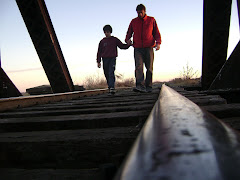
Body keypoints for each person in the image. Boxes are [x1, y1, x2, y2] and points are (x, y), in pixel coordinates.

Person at [125, 4, 161, 93]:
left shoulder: (151, 20)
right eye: (138, 13)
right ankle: (140, 86)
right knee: (138, 66)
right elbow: (129, 33)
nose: (140, 14)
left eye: (141, 12)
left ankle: (148, 86)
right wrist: (127, 40)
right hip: (137, 48)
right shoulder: (133, 21)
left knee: (149, 67)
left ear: (145, 11)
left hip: (149, 47)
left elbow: (156, 32)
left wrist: (158, 43)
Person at [97, 25, 131, 94]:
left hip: (112, 58)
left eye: (108, 32)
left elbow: (121, 46)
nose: (107, 33)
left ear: (110, 32)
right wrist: (98, 61)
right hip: (104, 59)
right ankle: (110, 86)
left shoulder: (114, 40)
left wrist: (128, 45)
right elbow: (99, 52)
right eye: (105, 32)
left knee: (111, 72)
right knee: (106, 73)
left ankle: (112, 87)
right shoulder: (102, 41)